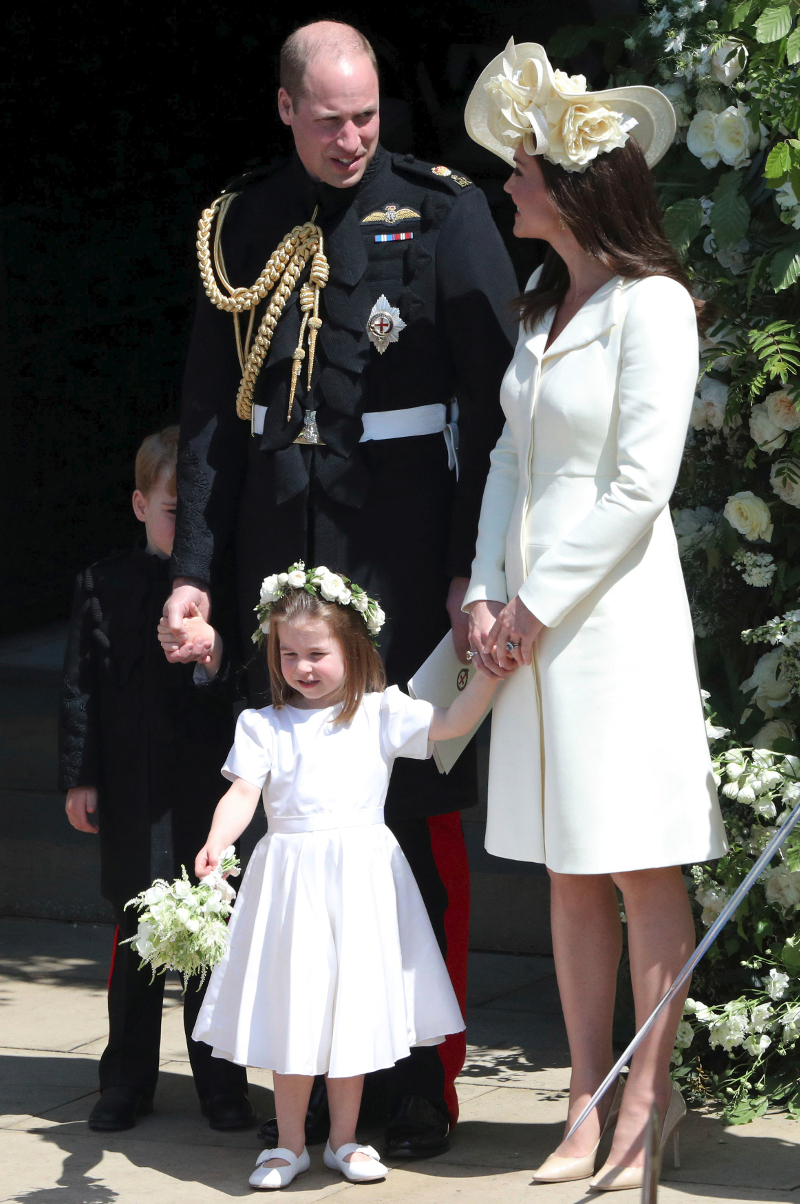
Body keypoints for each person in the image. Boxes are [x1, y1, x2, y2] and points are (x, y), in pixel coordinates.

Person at [161, 18, 518, 1156]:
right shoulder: (241, 224)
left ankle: (419, 1076)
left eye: (366, 115)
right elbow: (216, 424)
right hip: (280, 553)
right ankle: (266, 1073)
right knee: (274, 818)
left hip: (405, 557)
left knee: (407, 823)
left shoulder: (443, 208)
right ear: (284, 109)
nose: (352, 136)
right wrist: (193, 580)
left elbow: (493, 408)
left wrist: (473, 563)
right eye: (329, 119)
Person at [461, 41, 728, 1191]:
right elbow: (508, 469)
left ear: (574, 184)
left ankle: (646, 1096)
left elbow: (636, 485)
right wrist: (480, 594)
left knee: (634, 866)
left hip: (607, 624)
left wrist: (533, 601)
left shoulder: (650, 305)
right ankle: (582, 1093)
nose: (507, 183)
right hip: (527, 625)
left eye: (522, 167)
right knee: (569, 869)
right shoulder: (539, 311)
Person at [188, 565, 506, 1189]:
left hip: (361, 881)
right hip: (291, 885)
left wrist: (489, 677)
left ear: (352, 650)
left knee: (351, 1011)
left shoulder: (379, 714)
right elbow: (242, 794)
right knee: (297, 1009)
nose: (303, 667)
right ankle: (287, 1144)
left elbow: (450, 723)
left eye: (317, 653)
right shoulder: (264, 726)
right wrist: (216, 841)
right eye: (289, 655)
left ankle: (344, 1139)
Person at [58, 426, 253, 1133]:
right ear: (142, 507)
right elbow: (81, 687)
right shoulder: (105, 582)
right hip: (133, 784)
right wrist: (82, 777)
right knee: (137, 934)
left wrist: (213, 656)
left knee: (209, 932)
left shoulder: (221, 586)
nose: (186, 530)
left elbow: (242, 686)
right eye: (175, 512)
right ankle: (126, 1079)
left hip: (204, 783)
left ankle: (221, 1082)